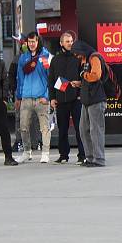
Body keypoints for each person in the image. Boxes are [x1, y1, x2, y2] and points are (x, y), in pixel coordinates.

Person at [49, 31, 86, 165]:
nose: (70, 43)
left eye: (71, 41)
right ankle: (63, 155)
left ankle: (82, 155)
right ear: (61, 43)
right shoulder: (55, 60)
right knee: (62, 129)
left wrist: (80, 90)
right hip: (61, 100)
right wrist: (52, 98)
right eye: (67, 41)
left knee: (79, 129)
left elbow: (84, 77)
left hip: (76, 99)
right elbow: (51, 80)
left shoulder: (78, 58)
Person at [15, 31, 52, 163]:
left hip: (41, 98)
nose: (31, 44)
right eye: (29, 42)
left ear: (38, 42)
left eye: (34, 41)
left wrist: (47, 96)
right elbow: (19, 78)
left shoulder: (45, 56)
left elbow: (50, 78)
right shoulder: (23, 58)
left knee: (44, 128)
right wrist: (18, 97)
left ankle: (45, 153)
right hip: (25, 98)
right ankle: (27, 152)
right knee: (23, 126)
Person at [72, 39, 108, 167]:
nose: (77, 57)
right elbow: (89, 80)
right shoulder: (86, 59)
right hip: (87, 100)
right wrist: (80, 83)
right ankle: (90, 157)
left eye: (77, 54)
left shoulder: (94, 58)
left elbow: (96, 76)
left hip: (96, 100)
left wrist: (84, 75)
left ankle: (99, 159)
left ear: (82, 51)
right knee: (83, 129)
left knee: (95, 130)